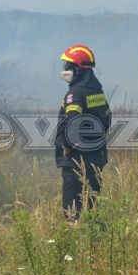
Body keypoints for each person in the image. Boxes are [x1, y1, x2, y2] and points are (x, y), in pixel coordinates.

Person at [54, 44, 111, 221]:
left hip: (75, 161)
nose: (65, 70)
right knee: (92, 205)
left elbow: (73, 121)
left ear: (78, 69)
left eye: (68, 66)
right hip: (96, 158)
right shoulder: (97, 91)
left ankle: (74, 241)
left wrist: (69, 146)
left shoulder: (75, 94)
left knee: (72, 208)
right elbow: (107, 119)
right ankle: (94, 241)